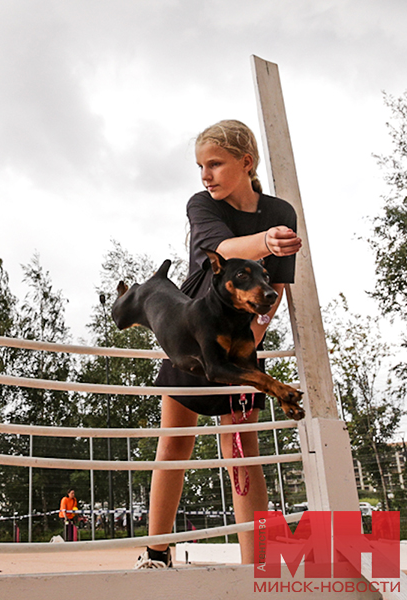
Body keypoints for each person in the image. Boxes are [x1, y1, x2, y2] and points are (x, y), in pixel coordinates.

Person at [135, 120, 301, 569]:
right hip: (191, 336)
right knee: (174, 444)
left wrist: (248, 340)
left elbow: (277, 287)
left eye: (214, 163)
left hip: (243, 342)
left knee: (243, 453)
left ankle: (257, 564)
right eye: (200, 166)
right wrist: (266, 243)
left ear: (246, 162)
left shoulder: (280, 211)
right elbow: (224, 250)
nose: (204, 174)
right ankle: (156, 554)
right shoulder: (201, 206)